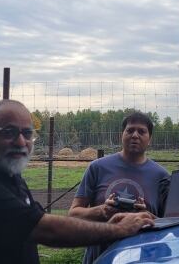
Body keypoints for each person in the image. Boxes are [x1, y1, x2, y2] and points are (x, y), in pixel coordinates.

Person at [0, 100, 154, 264]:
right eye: (9, 132)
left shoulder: (9, 177)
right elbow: (46, 229)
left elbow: (38, 219)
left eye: (27, 133)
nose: (21, 141)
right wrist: (118, 229)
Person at [69, 111, 169, 264]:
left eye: (142, 131)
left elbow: (170, 224)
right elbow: (74, 214)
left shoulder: (162, 176)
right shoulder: (97, 167)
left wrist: (145, 215)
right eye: (130, 130)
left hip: (146, 257)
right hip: (100, 256)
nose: (135, 135)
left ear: (150, 139)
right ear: (121, 135)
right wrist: (102, 211)